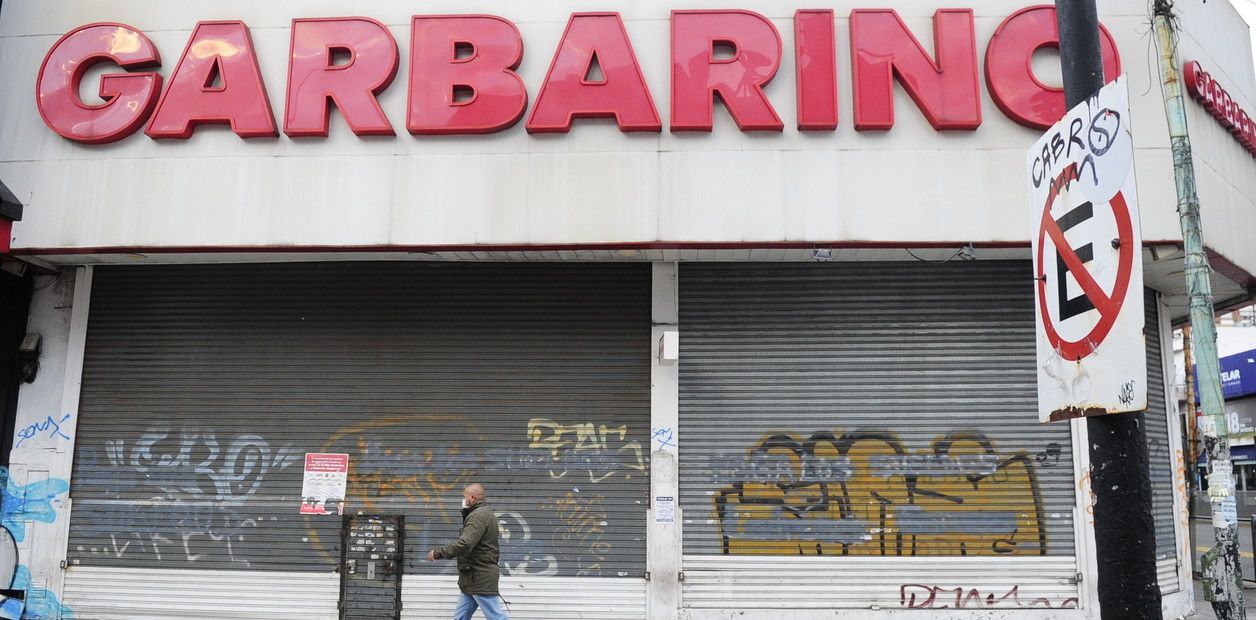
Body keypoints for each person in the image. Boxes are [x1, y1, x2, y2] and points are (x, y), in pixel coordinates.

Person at [427, 483, 509, 620]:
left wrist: (439, 552)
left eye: (464, 496)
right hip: (471, 578)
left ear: (471, 498)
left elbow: (465, 544)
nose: (463, 500)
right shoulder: (483, 514)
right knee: (460, 617)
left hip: (479, 577)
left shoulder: (478, 516)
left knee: (496, 617)